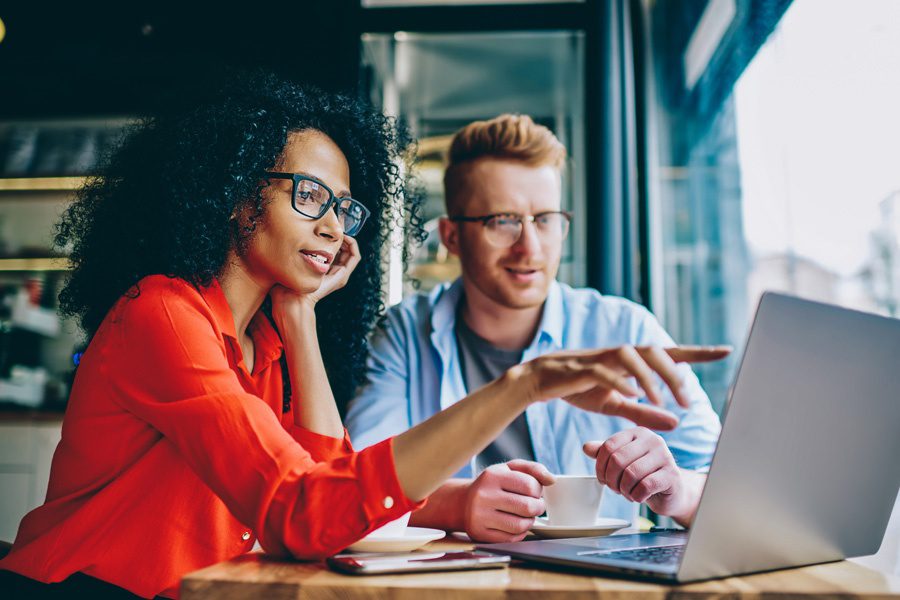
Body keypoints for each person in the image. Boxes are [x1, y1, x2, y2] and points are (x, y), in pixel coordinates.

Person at [0, 76, 726, 598]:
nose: (331, 226)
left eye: (344, 207)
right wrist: (523, 386)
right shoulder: (163, 316)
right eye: (309, 196)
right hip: (83, 589)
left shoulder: (267, 343)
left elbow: (330, 500)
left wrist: (301, 316)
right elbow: (305, 511)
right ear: (234, 193)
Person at [345, 114, 726, 543]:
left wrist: (676, 490)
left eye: (545, 219)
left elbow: (730, 485)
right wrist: (459, 503)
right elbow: (355, 485)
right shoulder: (404, 333)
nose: (530, 247)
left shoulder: (624, 328)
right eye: (502, 221)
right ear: (451, 237)